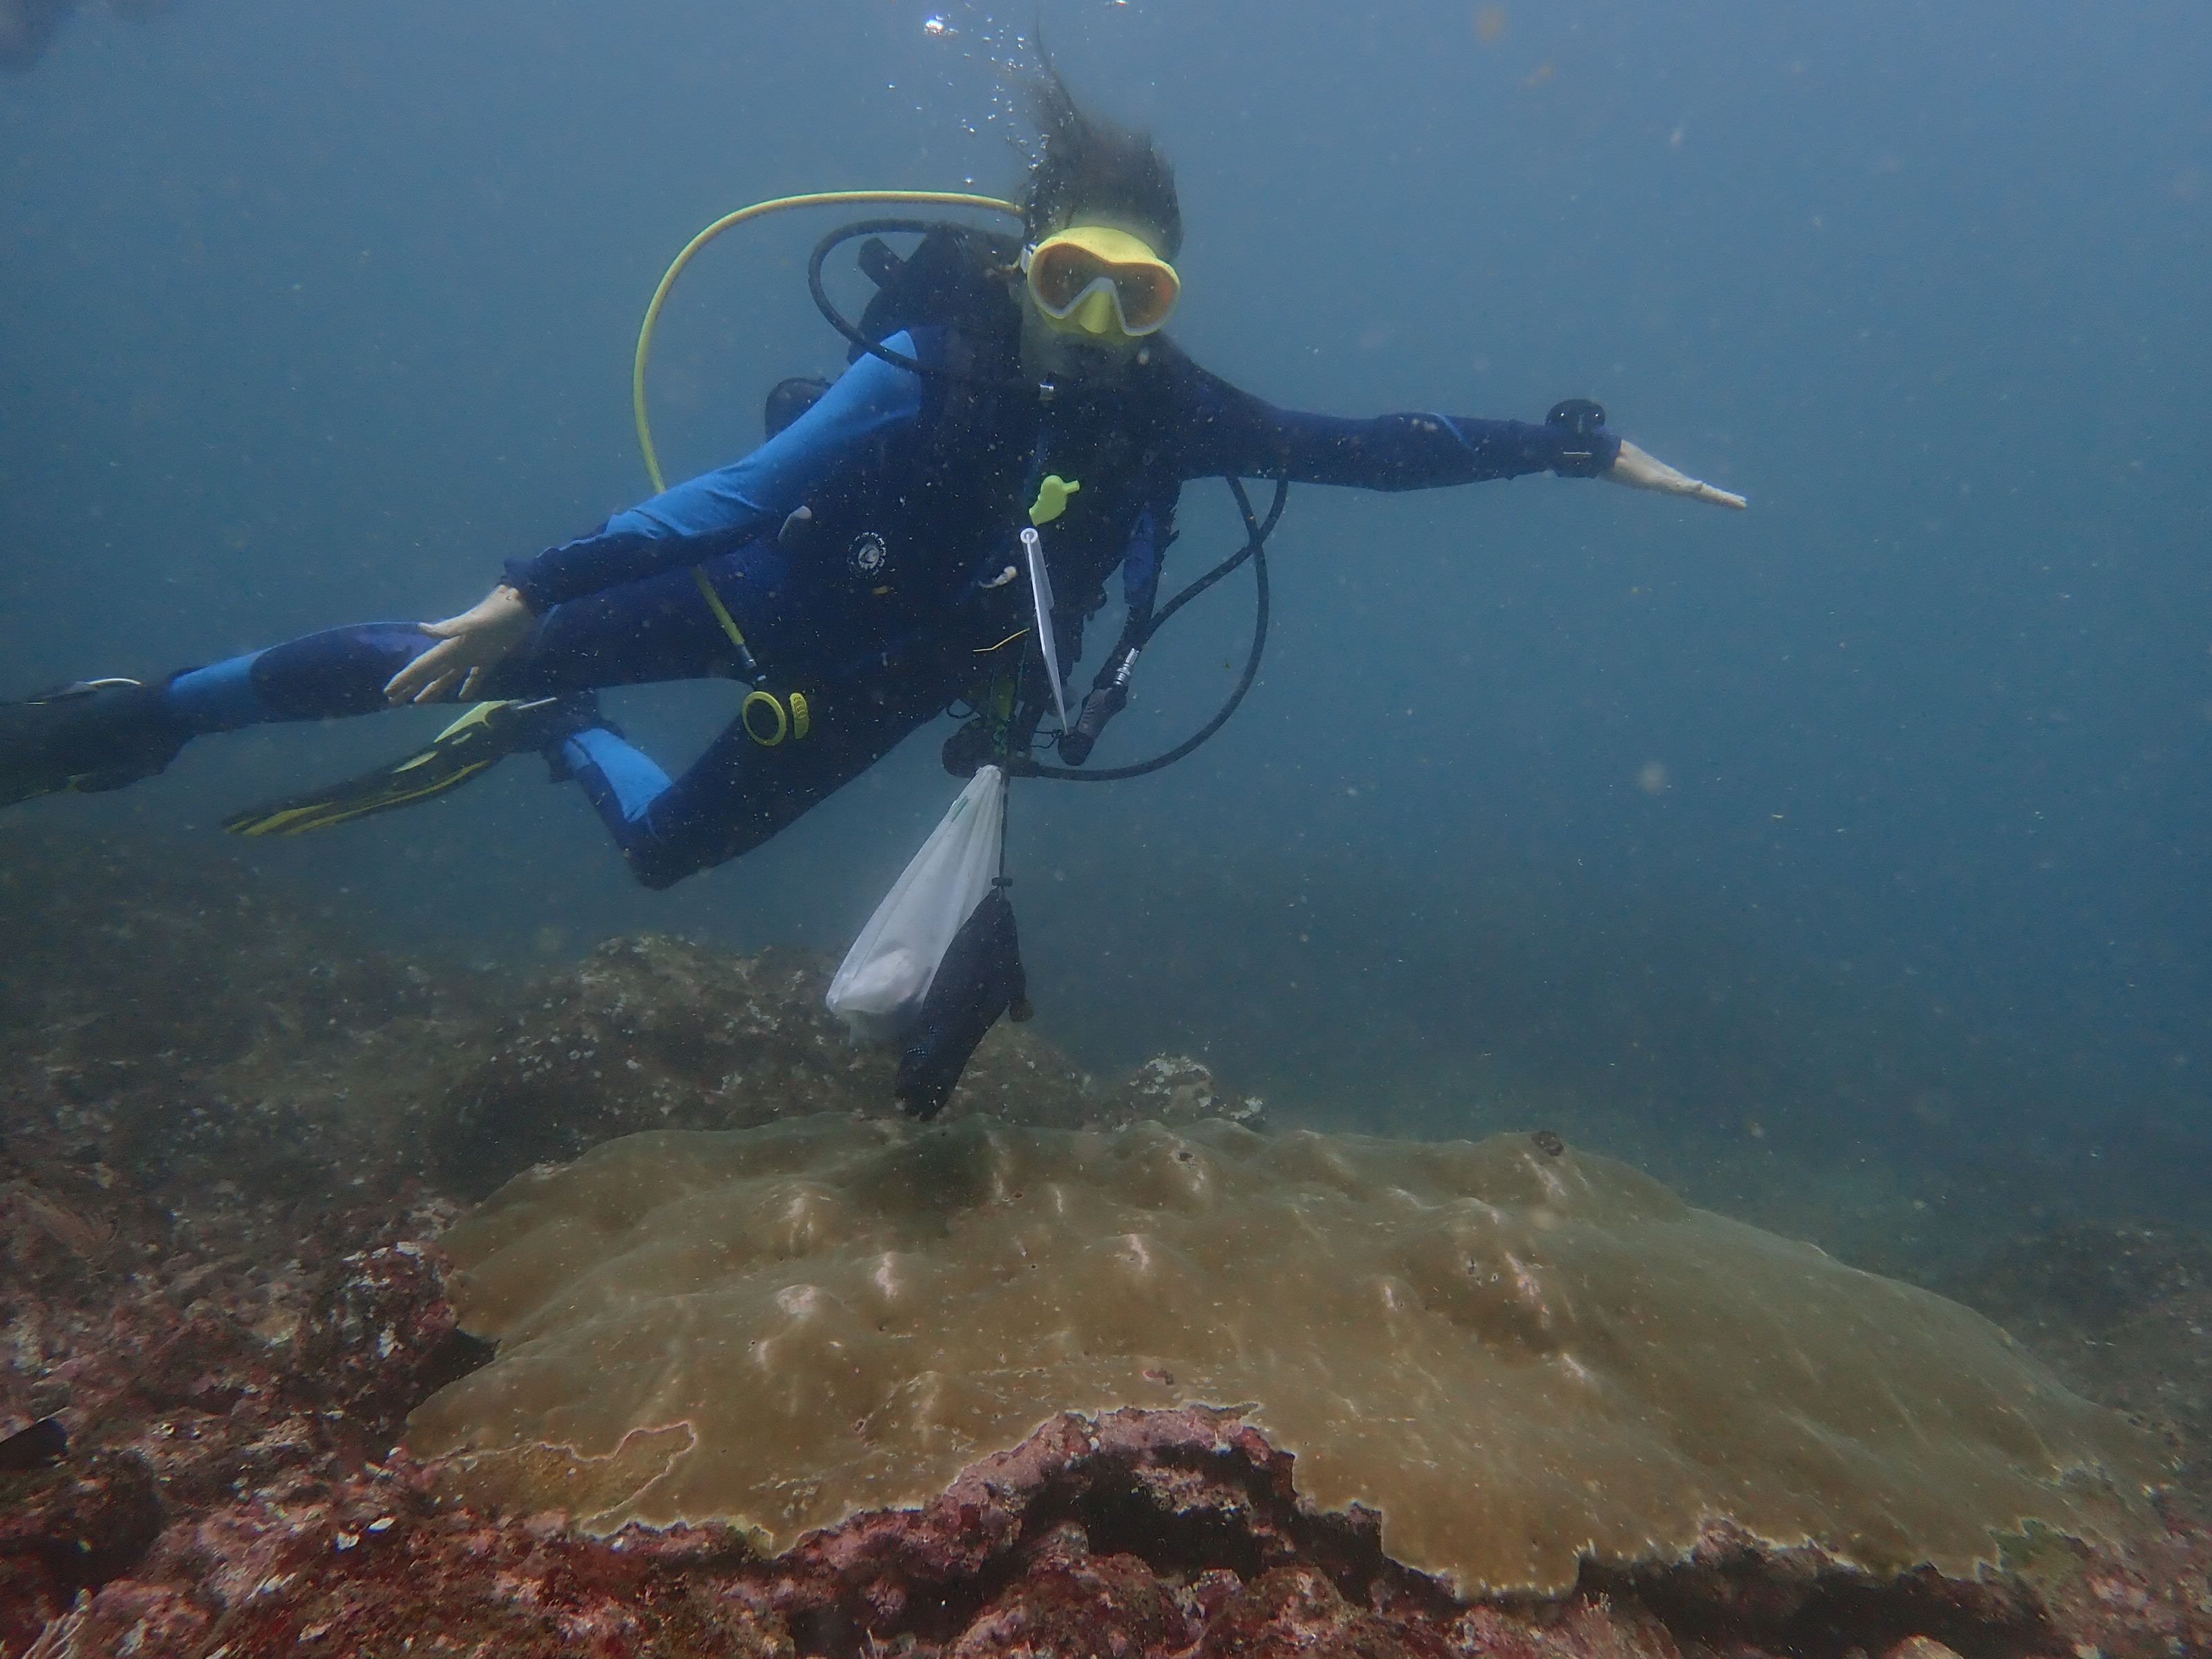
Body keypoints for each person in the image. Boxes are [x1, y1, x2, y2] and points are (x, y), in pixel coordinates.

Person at [0, 72, 1743, 890]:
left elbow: (1367, 454)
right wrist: (536, 586)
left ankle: (551, 739)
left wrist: (1572, 447)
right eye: (1073, 278)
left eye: (1139, 296)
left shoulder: (1172, 410)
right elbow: (738, 497)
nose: (1101, 325)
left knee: (668, 859)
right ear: (1023, 259)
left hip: (898, 680)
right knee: (426, 654)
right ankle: (149, 708)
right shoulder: (933, 355)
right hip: (759, 593)